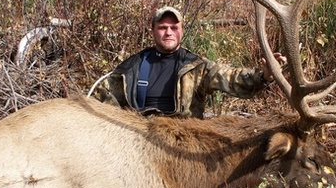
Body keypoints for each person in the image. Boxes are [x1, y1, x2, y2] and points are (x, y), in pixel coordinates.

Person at [97, 6, 285, 118]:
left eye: (173, 27)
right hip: (140, 140)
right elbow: (103, 97)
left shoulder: (196, 66)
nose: (168, 32)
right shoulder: (132, 67)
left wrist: (264, 76)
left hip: (182, 142)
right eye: (162, 27)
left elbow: (232, 78)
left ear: (182, 30)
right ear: (153, 31)